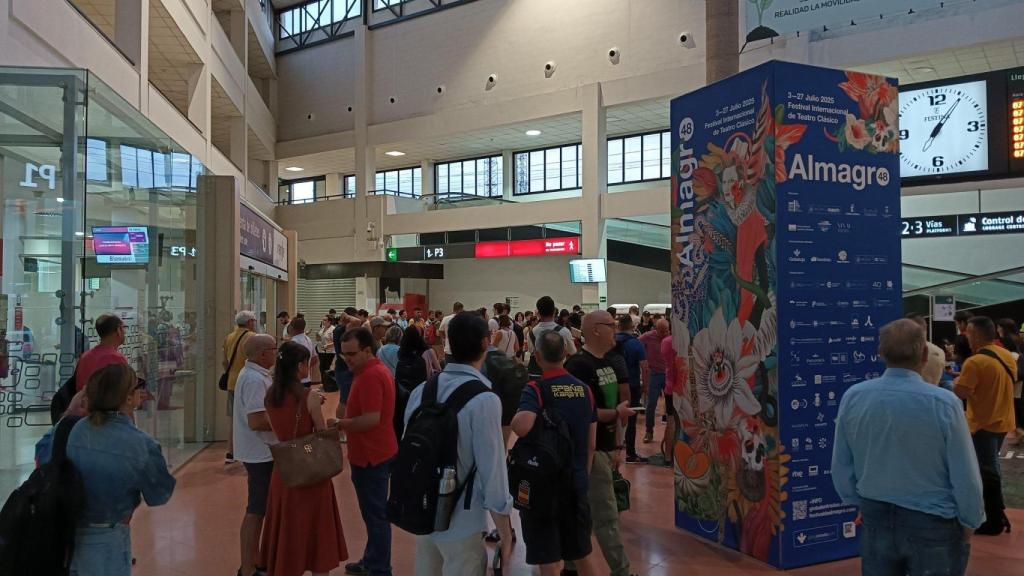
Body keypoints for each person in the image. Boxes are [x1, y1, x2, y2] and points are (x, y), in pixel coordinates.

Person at [832, 319, 983, 575]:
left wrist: (859, 502)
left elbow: (841, 464)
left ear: (881, 353)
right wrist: (971, 520)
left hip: (875, 517)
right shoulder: (944, 403)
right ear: (925, 354)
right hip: (933, 523)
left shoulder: (854, 396)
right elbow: (965, 472)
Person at [403, 312, 514, 574]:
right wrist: (505, 531)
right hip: (463, 519)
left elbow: (407, 446)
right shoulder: (484, 400)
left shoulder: (423, 390)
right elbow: (493, 469)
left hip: (423, 512)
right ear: (486, 343)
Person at [66, 364, 176, 576]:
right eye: (138, 386)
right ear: (127, 398)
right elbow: (159, 495)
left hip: (73, 532)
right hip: (110, 534)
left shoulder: (78, 429)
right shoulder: (142, 444)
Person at [511, 331, 599, 576]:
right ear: (565, 354)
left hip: (543, 487)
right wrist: (583, 476)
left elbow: (522, 425)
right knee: (581, 553)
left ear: (537, 356)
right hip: (576, 482)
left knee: (548, 558)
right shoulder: (584, 390)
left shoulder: (536, 388)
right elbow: (591, 443)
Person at [261, 341, 348, 576]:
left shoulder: (270, 396)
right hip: (311, 471)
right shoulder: (309, 397)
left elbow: (275, 428)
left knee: (288, 531)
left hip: (285, 472)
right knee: (317, 533)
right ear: (300, 365)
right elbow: (320, 433)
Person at [563, 311, 634, 576]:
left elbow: (612, 406)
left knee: (588, 513)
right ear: (594, 330)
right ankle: (621, 570)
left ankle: (570, 566)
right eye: (610, 325)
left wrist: (617, 446)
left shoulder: (610, 363)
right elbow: (583, 414)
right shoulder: (579, 366)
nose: (614, 329)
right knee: (606, 515)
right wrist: (616, 414)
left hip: (604, 450)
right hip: (588, 453)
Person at [335, 328, 398, 576]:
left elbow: (371, 419)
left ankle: (380, 568)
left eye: (351, 354)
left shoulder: (371, 376)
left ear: (367, 350)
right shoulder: (368, 372)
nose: (346, 359)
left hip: (372, 455)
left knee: (375, 516)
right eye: (343, 355)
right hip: (373, 451)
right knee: (373, 513)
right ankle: (373, 560)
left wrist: (342, 425)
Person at [954, 315, 1017, 535]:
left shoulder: (975, 361)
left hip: (982, 423)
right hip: (1003, 420)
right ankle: (998, 512)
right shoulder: (1006, 355)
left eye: (968, 333)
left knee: (985, 470)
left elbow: (961, 391)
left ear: (977, 335)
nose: (966, 337)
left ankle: (993, 520)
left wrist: (954, 380)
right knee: (992, 466)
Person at [233, 334, 279, 576]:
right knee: (256, 509)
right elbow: (257, 420)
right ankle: (248, 568)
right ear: (262, 354)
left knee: (261, 508)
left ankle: (256, 560)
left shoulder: (256, 375)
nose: (276, 353)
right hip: (260, 453)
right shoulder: (253, 380)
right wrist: (290, 419)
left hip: (260, 451)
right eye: (274, 349)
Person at [223, 311, 257, 464]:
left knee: (233, 417)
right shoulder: (252, 337)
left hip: (232, 382)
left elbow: (224, 361)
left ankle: (231, 452)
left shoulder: (229, 337)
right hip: (248, 382)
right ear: (249, 322)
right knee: (249, 416)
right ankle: (247, 450)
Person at [615, 315, 647, 464]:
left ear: (619, 326)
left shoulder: (611, 342)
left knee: (613, 416)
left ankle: (612, 453)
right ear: (631, 327)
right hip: (632, 385)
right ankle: (630, 453)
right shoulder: (636, 343)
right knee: (631, 420)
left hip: (612, 385)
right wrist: (645, 386)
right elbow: (644, 367)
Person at [75, 314, 128, 392]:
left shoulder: (85, 357)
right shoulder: (118, 359)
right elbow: (124, 392)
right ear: (118, 330)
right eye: (123, 328)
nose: (125, 332)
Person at [529, 296, 577, 378]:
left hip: (537, 374)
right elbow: (572, 352)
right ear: (554, 311)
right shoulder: (564, 331)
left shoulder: (531, 332)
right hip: (558, 375)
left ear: (538, 313)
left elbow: (531, 351)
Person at [639, 319, 669, 443]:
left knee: (672, 405)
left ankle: (672, 434)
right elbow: (637, 344)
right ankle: (649, 431)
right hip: (654, 374)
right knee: (651, 405)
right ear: (656, 329)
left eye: (666, 330)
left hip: (669, 374)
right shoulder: (648, 336)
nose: (664, 333)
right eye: (661, 330)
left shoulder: (672, 337)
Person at [995, 318, 1024, 444]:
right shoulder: (1017, 339)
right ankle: (1019, 433)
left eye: (998, 327)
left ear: (1003, 328)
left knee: (1016, 406)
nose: (997, 330)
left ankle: (1020, 432)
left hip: (1015, 376)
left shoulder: (1007, 341)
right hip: (1017, 377)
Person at [396, 325, 441, 391]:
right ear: (419, 336)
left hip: (404, 389)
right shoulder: (429, 351)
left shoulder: (401, 351)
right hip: (424, 388)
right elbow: (439, 370)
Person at [288, 316, 320, 386]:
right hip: (307, 379)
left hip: (296, 380)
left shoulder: (294, 341)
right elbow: (315, 358)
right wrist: (306, 368)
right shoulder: (308, 339)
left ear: (291, 328)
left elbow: (290, 362)